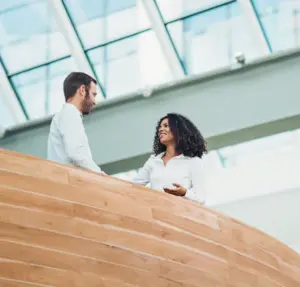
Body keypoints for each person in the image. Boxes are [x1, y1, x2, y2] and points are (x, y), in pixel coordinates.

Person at [133, 113, 207, 203]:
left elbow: (201, 199)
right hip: (155, 213)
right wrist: (111, 181)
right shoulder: (153, 161)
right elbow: (133, 185)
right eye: (159, 127)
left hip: (179, 214)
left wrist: (184, 193)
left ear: (178, 130)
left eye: (166, 126)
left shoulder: (193, 162)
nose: (160, 129)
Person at [47, 72, 104, 174]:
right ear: (82, 90)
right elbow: (76, 153)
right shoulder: (70, 114)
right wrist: (101, 175)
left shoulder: (64, 115)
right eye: (93, 95)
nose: (94, 101)